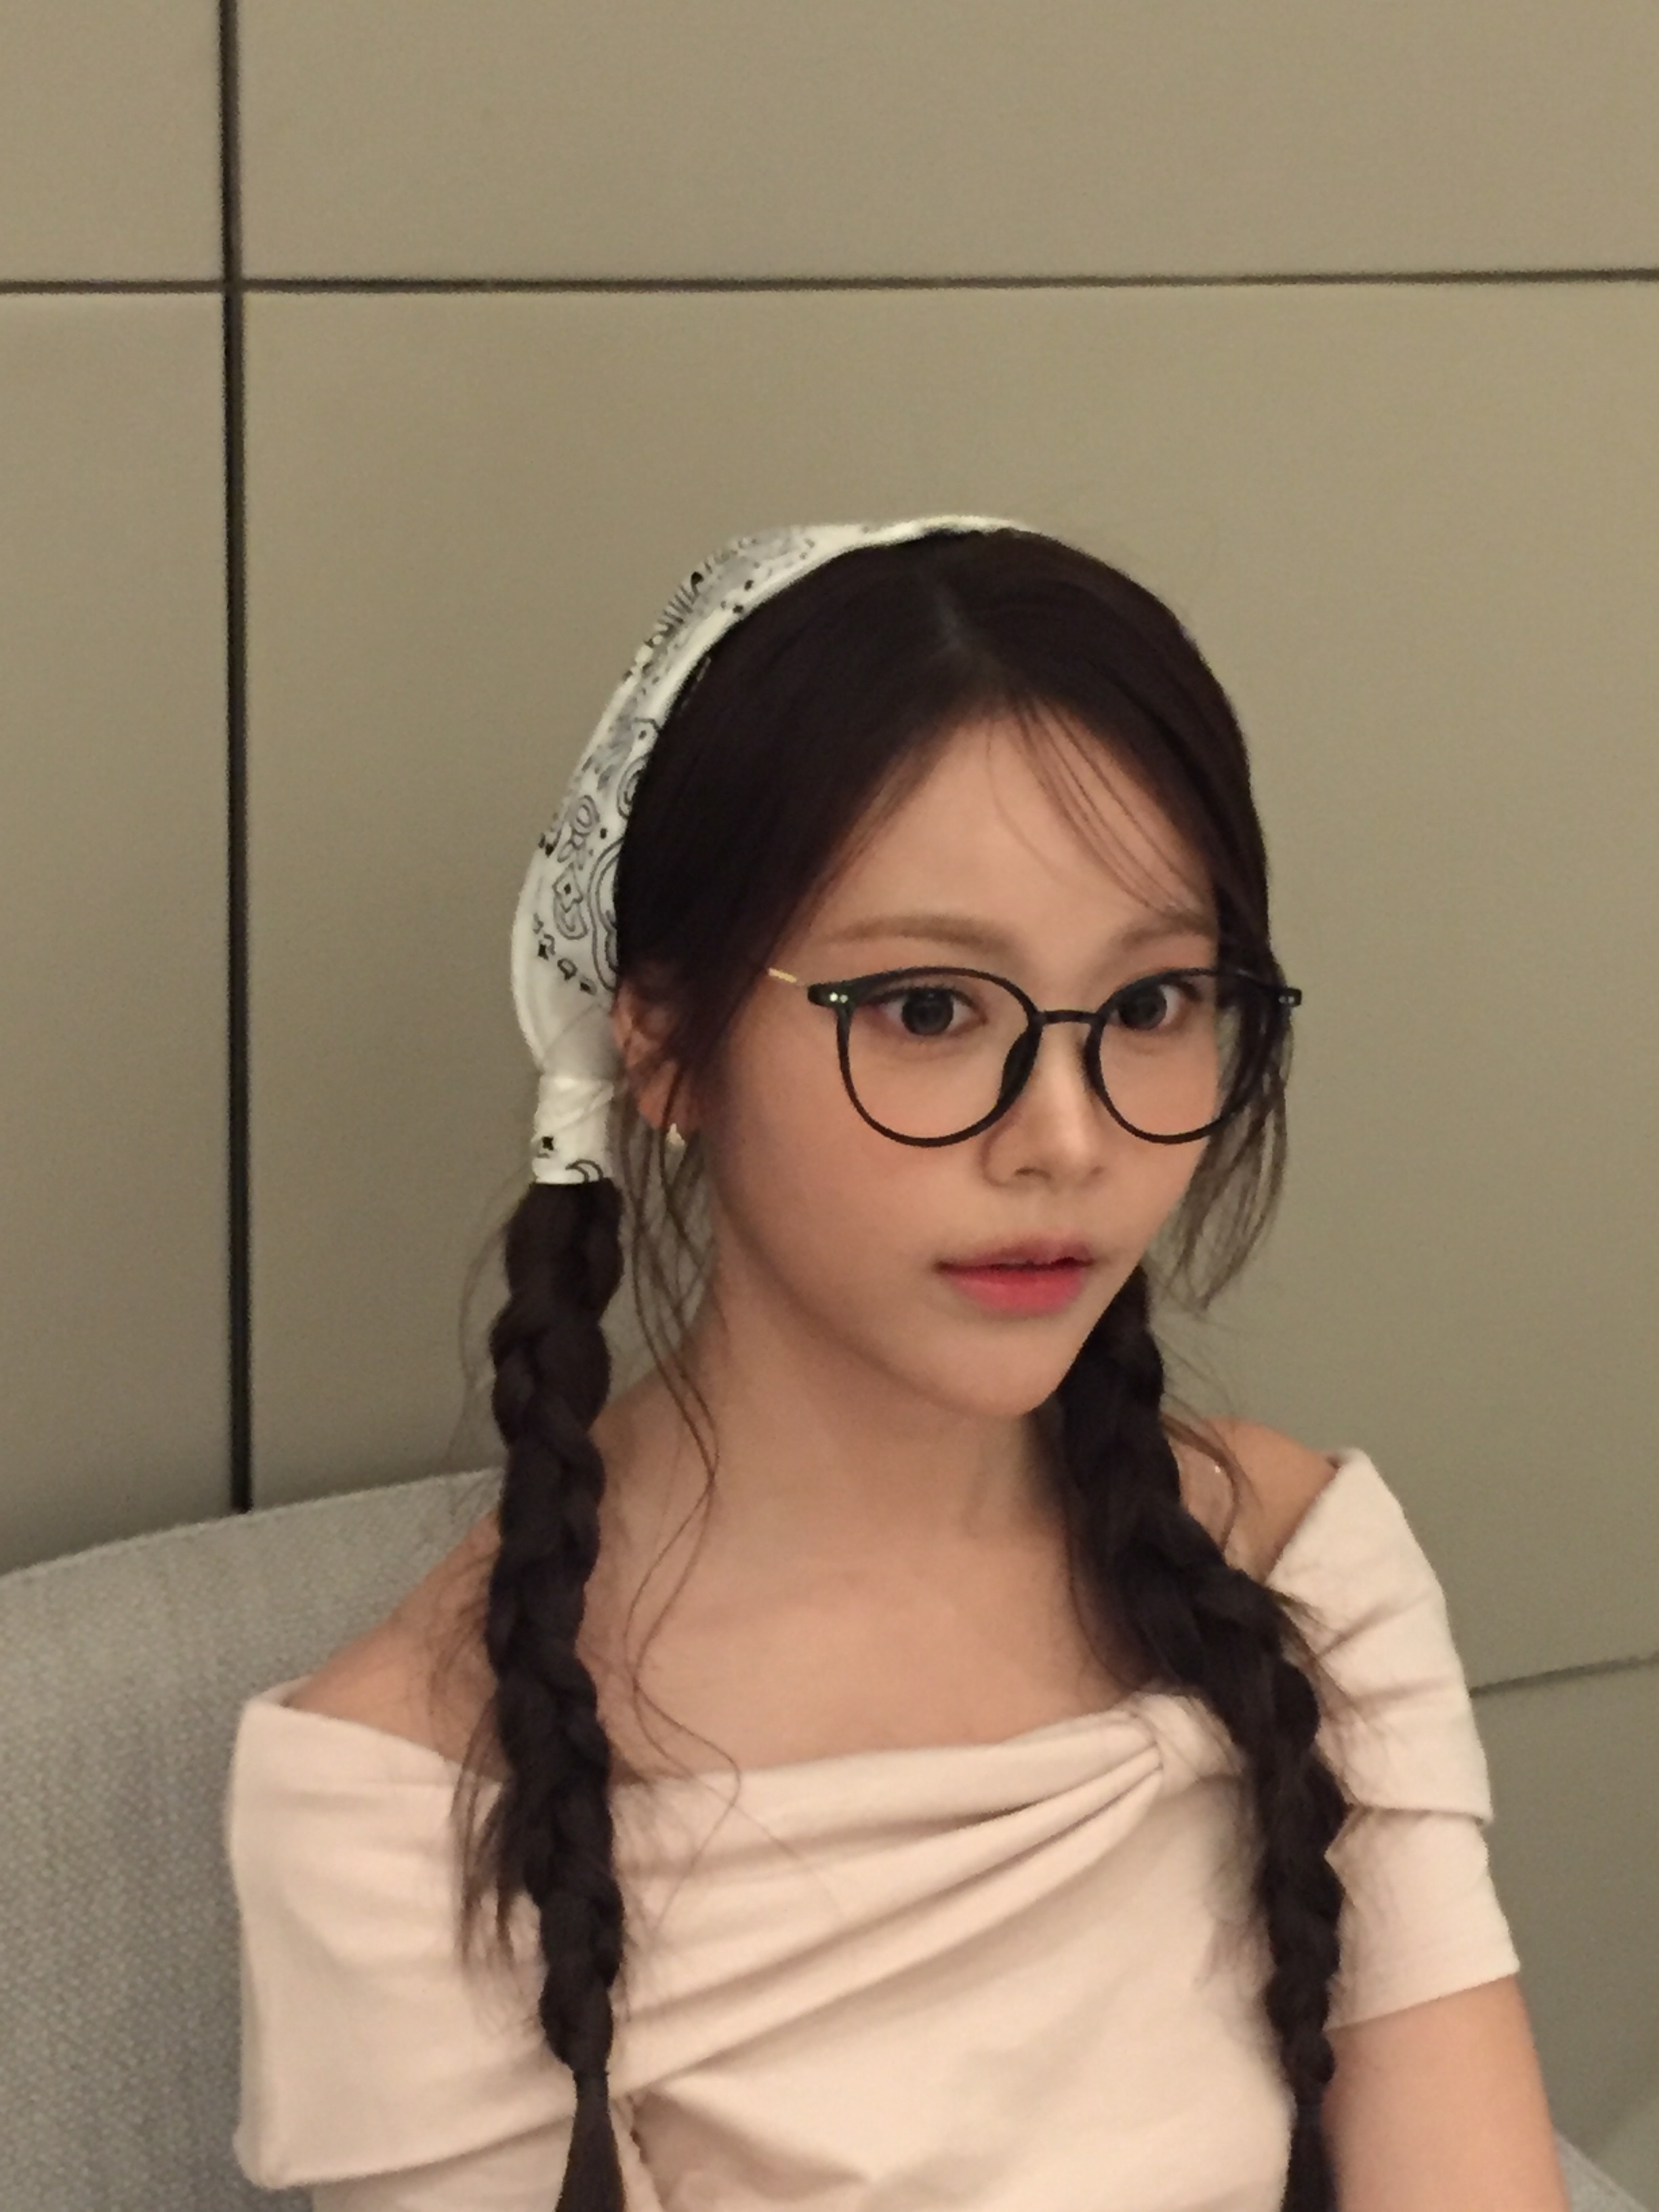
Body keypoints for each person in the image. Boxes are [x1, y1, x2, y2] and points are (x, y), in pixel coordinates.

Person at [224, 518, 1561, 2211]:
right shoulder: (403, 1784)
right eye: (929, 1010)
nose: (1065, 1138)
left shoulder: (1303, 1568)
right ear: (663, 1043)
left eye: (1153, 1004)